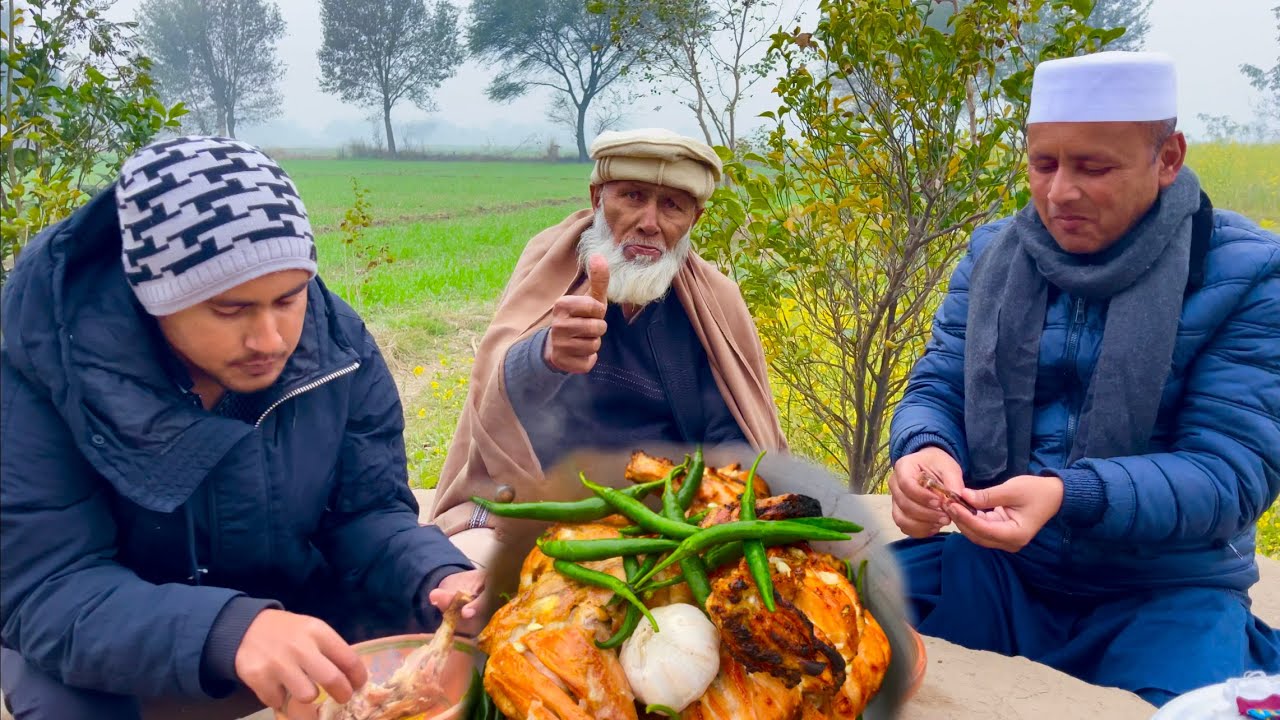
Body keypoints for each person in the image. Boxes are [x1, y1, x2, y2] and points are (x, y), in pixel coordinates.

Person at [0, 136, 485, 720]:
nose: (271, 339)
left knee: (446, 657)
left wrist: (435, 574)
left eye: (288, 298)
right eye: (230, 310)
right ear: (152, 297)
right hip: (121, 637)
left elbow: (367, 513)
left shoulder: (338, 345)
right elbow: (47, 589)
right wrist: (231, 629)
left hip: (297, 608)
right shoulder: (45, 376)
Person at [885, 50, 1280, 705]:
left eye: (1093, 167)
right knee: (816, 610)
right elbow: (938, 390)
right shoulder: (992, 257)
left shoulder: (1250, 275)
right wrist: (924, 452)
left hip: (1164, 591)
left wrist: (1068, 496)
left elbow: (1230, 474)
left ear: (1169, 157)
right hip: (1006, 572)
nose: (1059, 192)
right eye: (1044, 164)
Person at [429, 128, 787, 565]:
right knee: (465, 573)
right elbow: (494, 396)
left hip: (663, 522)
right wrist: (547, 356)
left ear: (696, 219)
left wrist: (706, 511)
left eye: (672, 205)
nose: (650, 222)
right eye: (633, 196)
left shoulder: (715, 302)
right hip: (532, 500)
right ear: (598, 197)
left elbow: (733, 437)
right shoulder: (549, 262)